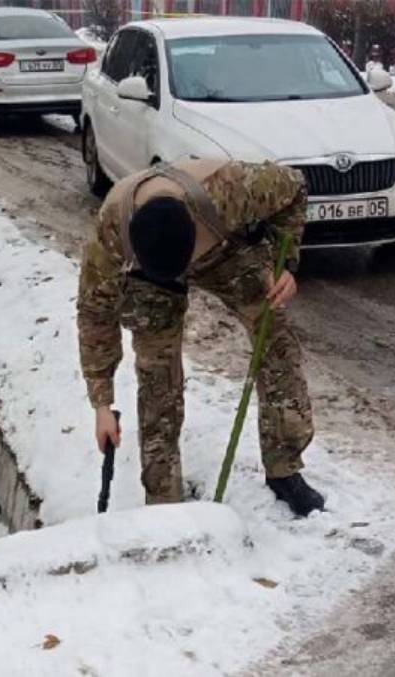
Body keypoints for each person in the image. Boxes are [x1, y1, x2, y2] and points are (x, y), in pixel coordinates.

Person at [76, 159, 325, 517]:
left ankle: (285, 468)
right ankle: (162, 498)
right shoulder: (112, 233)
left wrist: (288, 264)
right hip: (148, 279)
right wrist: (102, 404)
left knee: (277, 343)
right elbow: (94, 314)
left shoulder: (231, 190)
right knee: (156, 374)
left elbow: (296, 187)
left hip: (222, 252)